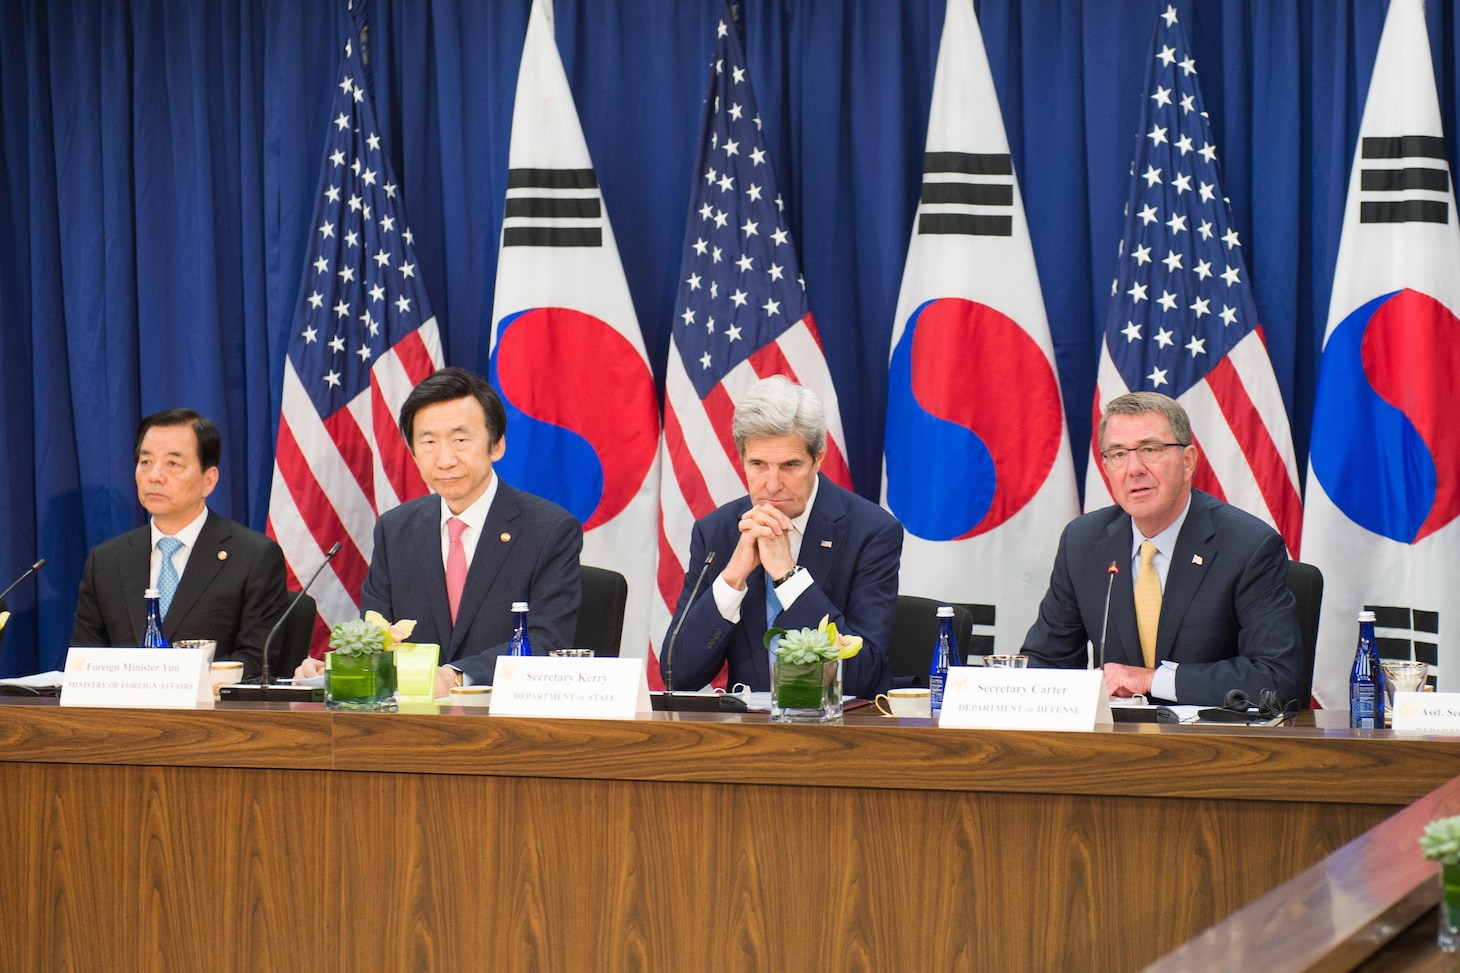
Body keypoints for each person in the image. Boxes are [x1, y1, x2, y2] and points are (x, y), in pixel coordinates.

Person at [297, 368, 582, 694]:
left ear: (496, 446)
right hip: (412, 724)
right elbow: (376, 635)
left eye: (460, 440)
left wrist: (457, 675)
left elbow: (549, 639)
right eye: (429, 442)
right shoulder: (395, 530)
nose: (445, 459)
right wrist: (334, 666)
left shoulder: (549, 529)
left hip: (505, 720)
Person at [1021, 392, 1302, 705]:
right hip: (1112, 744)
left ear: (1187, 461)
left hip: (1215, 744)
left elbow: (1276, 678)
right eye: (1117, 454)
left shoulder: (1247, 546)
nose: (1134, 468)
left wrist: (1151, 680)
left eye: (1149, 449)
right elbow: (1046, 663)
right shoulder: (1083, 542)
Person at [664, 376, 901, 699]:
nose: (772, 485)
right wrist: (732, 578)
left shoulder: (870, 532)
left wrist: (788, 577)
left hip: (837, 732)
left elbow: (863, 674)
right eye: (758, 464)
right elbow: (677, 676)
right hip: (747, 736)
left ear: (818, 457)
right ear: (742, 459)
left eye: (790, 465)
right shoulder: (716, 532)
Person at [71, 409, 289, 678]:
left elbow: (255, 661)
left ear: (208, 481)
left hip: (208, 716)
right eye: (146, 462)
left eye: (173, 464)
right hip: (122, 716)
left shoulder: (254, 557)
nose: (155, 476)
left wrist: (171, 685)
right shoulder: (104, 561)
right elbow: (85, 661)